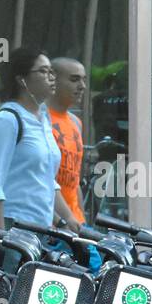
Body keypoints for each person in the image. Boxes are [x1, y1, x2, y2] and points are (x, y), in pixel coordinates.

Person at [0, 46, 80, 231]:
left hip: (41, 228)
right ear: (22, 80)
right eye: (43, 71)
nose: (51, 77)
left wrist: (67, 218)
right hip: (13, 225)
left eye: (51, 72)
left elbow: (46, 179)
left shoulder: (43, 119)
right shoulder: (7, 120)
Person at [49, 57, 87, 226]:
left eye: (83, 79)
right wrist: (59, 221)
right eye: (74, 79)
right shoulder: (39, 119)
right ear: (53, 80)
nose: (82, 86)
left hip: (75, 222)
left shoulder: (76, 123)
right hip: (53, 225)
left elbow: (75, 180)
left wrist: (82, 219)